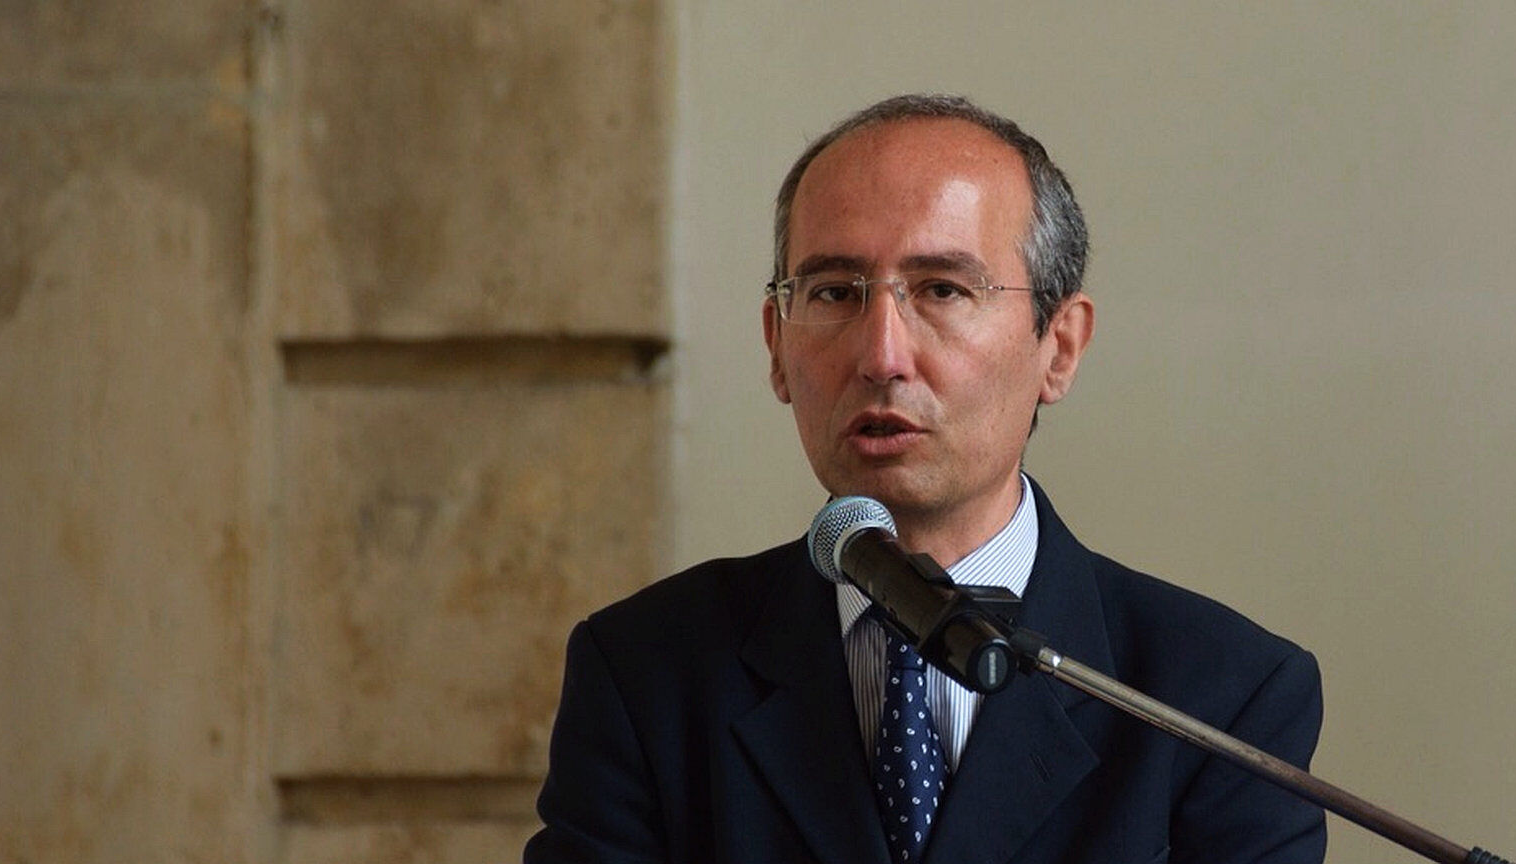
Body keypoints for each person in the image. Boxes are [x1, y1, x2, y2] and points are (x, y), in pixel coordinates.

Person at [524, 94, 1325, 864]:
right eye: (834, 293)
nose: (881, 356)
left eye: (943, 290)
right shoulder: (647, 672)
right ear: (776, 346)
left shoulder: (1219, 697)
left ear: (1060, 346)